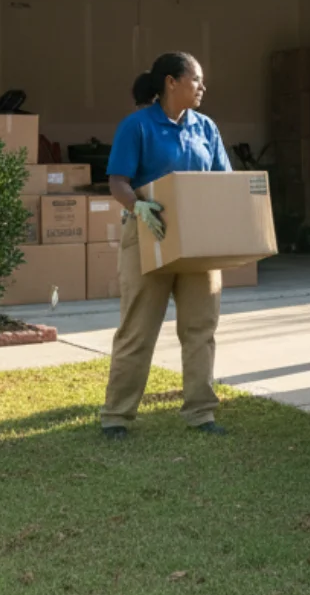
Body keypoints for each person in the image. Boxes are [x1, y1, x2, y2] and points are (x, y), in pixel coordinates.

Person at [98, 52, 232, 438]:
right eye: (196, 80)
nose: (203, 87)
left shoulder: (207, 128)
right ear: (171, 82)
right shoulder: (137, 126)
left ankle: (201, 412)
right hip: (148, 234)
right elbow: (118, 181)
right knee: (137, 329)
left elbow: (223, 180)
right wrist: (136, 205)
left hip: (198, 242)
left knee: (200, 328)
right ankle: (117, 416)